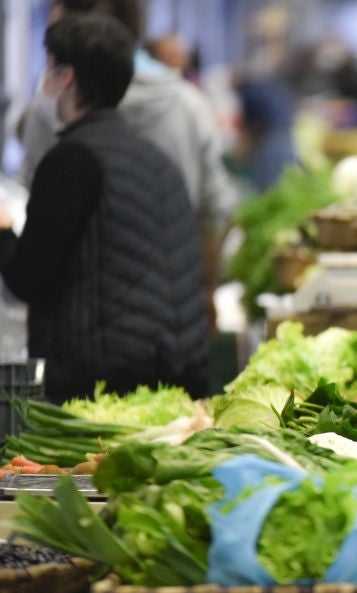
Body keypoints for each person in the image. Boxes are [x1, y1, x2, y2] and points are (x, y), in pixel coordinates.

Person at [0, 15, 209, 401]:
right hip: (176, 378)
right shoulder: (156, 159)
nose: (42, 83)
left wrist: (3, 230)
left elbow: (28, 278)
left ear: (68, 77)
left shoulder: (72, 160)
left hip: (100, 386)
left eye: (48, 68)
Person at [19, 0, 237, 325]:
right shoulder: (188, 105)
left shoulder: (50, 108)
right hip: (174, 317)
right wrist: (205, 294)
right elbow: (215, 211)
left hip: (78, 327)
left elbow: (34, 222)